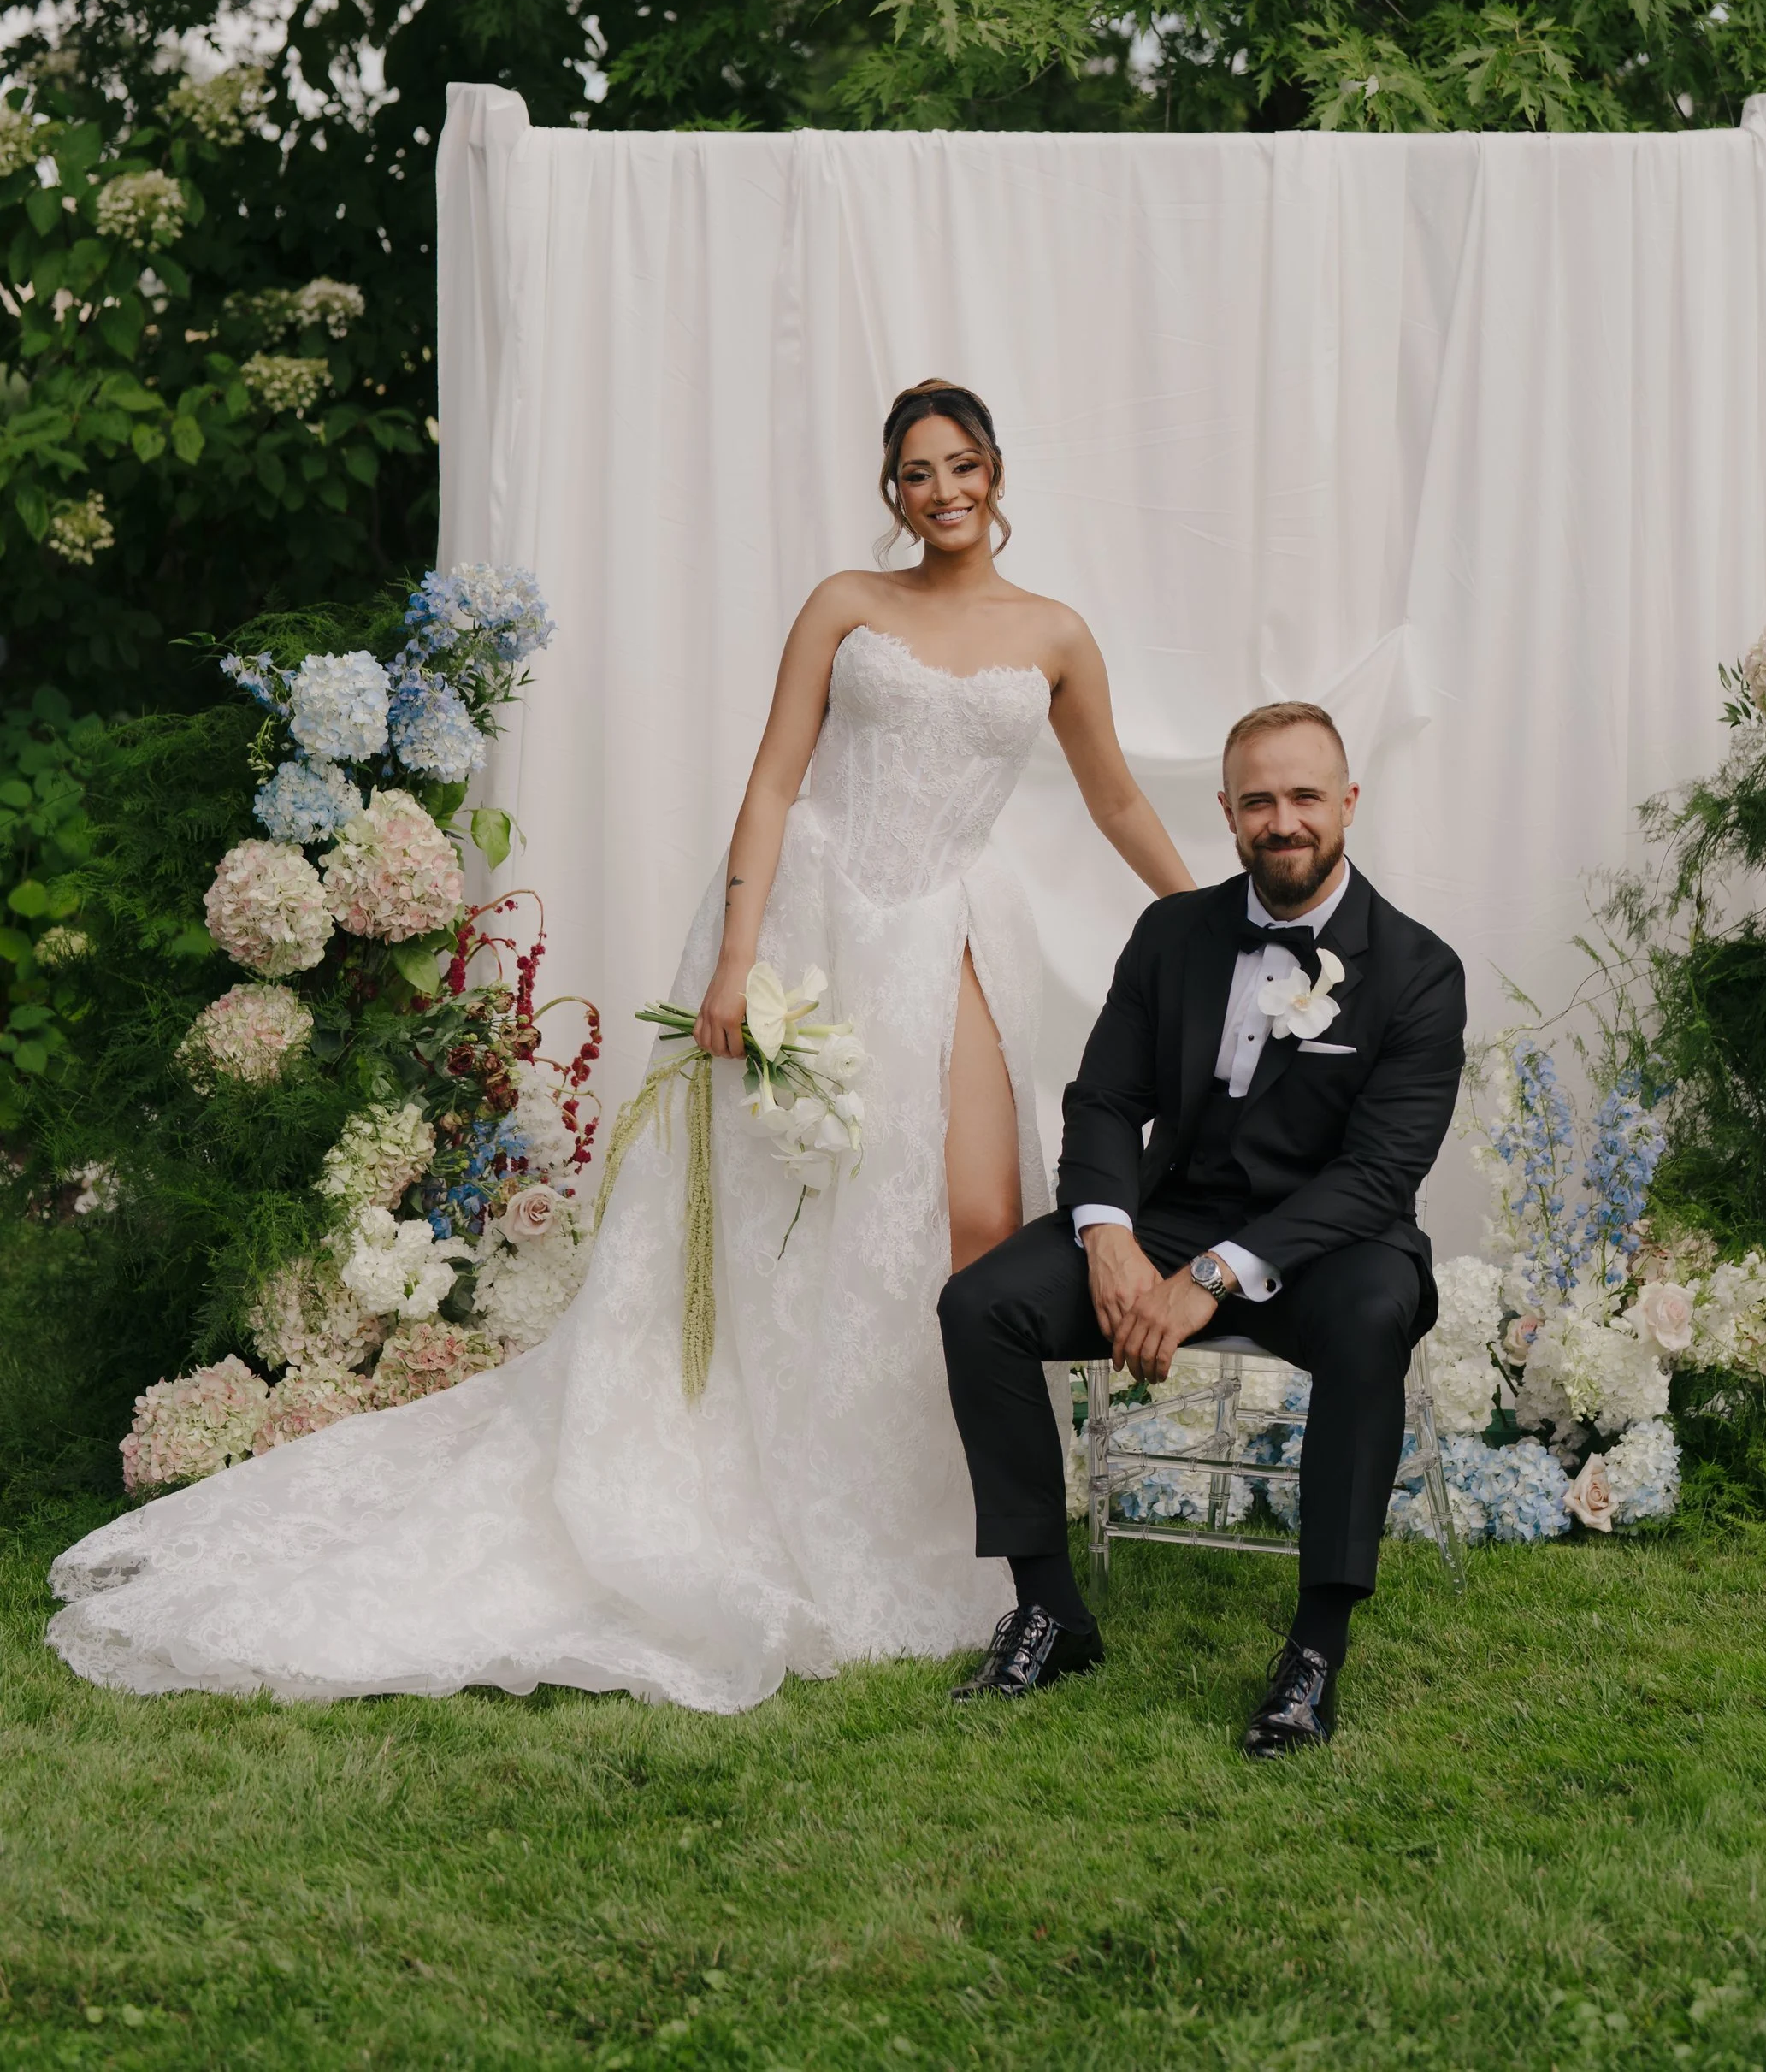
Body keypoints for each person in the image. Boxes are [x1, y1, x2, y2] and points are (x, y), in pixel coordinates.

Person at [48, 381, 1194, 1711]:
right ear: (894, 492)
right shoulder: (845, 603)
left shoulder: (1054, 633)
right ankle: (821, 1494)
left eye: (963, 464)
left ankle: (981, 1530)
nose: (942, 490)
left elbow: (1111, 792)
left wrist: (1208, 918)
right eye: (916, 473)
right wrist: (733, 957)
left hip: (950, 925)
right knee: (809, 1216)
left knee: (983, 1218)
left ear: (998, 469)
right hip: (820, 924)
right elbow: (772, 780)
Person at [937, 700, 1466, 1758]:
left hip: (1330, 1243)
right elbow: (1100, 1100)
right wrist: (1107, 1234)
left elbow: (1376, 1175)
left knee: (1373, 1317)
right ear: (1227, 813)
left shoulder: (1416, 970)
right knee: (980, 1303)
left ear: (1347, 804)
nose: (1284, 821)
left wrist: (1210, 1279)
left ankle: (1314, 1649)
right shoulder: (1173, 932)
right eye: (1259, 800)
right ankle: (1049, 1609)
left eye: (1305, 796)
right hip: (1167, 1213)